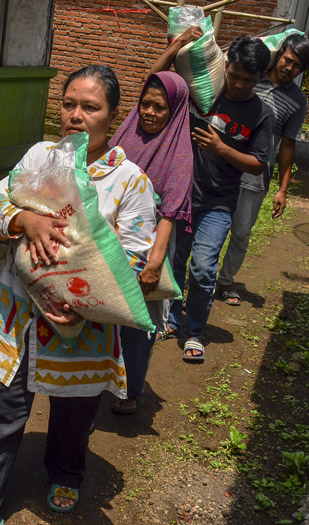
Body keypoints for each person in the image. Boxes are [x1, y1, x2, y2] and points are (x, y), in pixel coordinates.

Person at [0, 65, 156, 525]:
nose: (75, 115)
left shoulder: (130, 181)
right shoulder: (38, 157)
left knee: (74, 414)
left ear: (112, 115)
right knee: (1, 415)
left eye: (89, 107)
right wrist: (23, 220)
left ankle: (67, 471)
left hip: (83, 327)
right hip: (17, 317)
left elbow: (135, 258)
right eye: (69, 103)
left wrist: (79, 303)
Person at [152, 34, 275, 362]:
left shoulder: (261, 114)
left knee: (204, 269)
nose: (237, 84)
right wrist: (176, 45)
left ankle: (194, 332)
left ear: (262, 77)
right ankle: (173, 322)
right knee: (176, 264)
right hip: (181, 196)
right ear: (226, 65)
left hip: (219, 202)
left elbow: (258, 163)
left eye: (247, 80)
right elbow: (154, 80)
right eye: (233, 75)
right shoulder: (202, 92)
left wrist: (221, 147)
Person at [108, 71, 194, 414]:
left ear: (174, 112)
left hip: (150, 243)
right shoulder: (127, 134)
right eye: (144, 104)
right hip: (111, 236)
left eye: (159, 107)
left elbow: (169, 214)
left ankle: (131, 388)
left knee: (137, 318)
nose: (149, 113)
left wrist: (155, 261)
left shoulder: (180, 153)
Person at [216, 34, 309, 305]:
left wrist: (283, 189)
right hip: (220, 165)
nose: (289, 68)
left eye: (297, 67)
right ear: (280, 53)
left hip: (254, 176)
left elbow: (287, 146)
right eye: (287, 60)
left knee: (240, 231)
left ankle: (225, 281)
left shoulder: (298, 101)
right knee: (211, 223)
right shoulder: (250, 76)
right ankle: (200, 275)